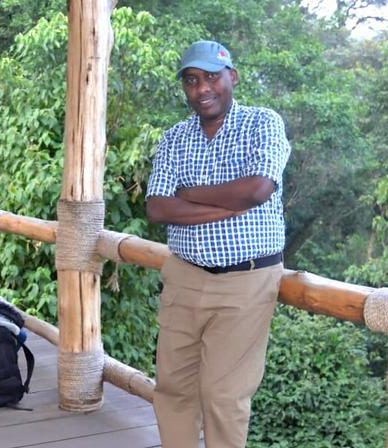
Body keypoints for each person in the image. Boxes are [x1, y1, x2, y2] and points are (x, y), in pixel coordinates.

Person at [145, 40, 291, 447]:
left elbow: (258, 189)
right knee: (172, 389)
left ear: (233, 77)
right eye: (192, 80)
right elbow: (157, 207)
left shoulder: (262, 123)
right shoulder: (174, 138)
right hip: (184, 276)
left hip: (247, 282)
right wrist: (231, 204)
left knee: (224, 398)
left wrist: (190, 195)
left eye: (211, 77)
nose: (202, 88)